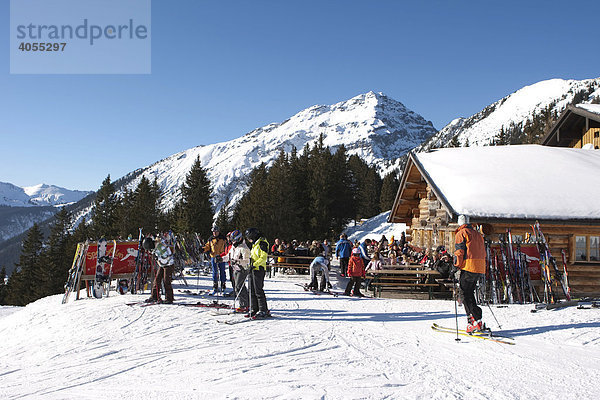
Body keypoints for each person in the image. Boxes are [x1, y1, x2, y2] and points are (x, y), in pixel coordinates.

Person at [453, 214, 487, 333]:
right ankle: (477, 319)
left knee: (464, 293)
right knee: (469, 292)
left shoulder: (461, 233)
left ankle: (473, 319)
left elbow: (459, 251)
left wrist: (456, 265)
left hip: (468, 266)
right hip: (479, 266)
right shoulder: (477, 234)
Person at [222, 229, 251, 312]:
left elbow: (247, 260)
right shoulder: (234, 247)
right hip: (235, 268)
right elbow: (228, 256)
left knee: (239, 286)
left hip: (242, 269)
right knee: (236, 287)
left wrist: (237, 261)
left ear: (239, 239)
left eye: (234, 240)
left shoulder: (244, 248)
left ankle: (245, 305)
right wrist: (221, 259)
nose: (233, 242)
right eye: (232, 240)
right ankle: (243, 303)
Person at [245, 227, 271, 318]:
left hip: (259, 269)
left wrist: (255, 264)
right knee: (251, 289)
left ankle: (263, 310)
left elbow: (263, 258)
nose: (249, 240)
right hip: (253, 268)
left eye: (249, 237)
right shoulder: (254, 244)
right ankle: (254, 309)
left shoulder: (262, 243)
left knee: (258, 290)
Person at [146, 235, 175, 304]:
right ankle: (154, 296)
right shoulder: (156, 247)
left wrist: (159, 258)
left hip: (168, 264)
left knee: (166, 281)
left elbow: (167, 256)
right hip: (163, 265)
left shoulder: (161, 246)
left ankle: (169, 298)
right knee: (157, 279)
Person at [204, 226, 228, 294]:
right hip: (213, 257)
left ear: (218, 232)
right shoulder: (211, 239)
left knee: (222, 271)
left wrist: (225, 254)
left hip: (221, 257)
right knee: (215, 271)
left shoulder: (223, 239)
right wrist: (203, 249)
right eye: (213, 232)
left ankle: (223, 284)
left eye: (216, 231)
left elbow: (226, 247)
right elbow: (207, 246)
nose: (214, 233)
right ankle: (215, 285)